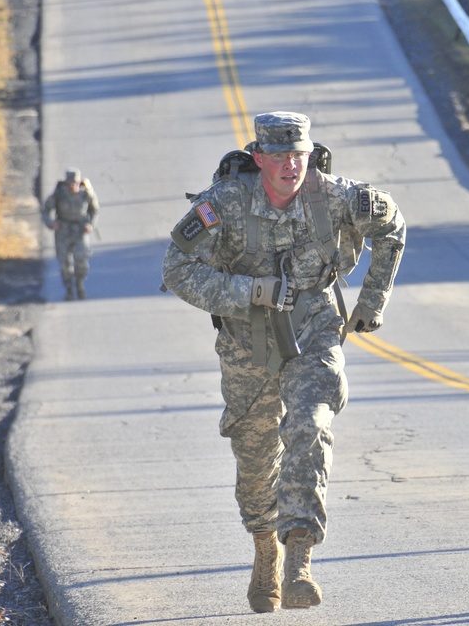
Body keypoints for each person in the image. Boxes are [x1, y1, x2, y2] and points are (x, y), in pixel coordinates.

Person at [161, 111, 405, 612]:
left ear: (310, 154)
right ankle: (264, 547)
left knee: (310, 426)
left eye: (299, 155)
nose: (291, 165)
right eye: (279, 156)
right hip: (247, 345)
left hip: (314, 329)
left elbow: (393, 226)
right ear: (259, 158)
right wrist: (249, 291)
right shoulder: (225, 204)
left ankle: (299, 558)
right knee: (255, 462)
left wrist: (373, 301)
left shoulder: (336, 197)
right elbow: (177, 268)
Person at [42, 168, 99, 300]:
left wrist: (91, 224)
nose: (72, 186)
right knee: (64, 263)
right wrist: (50, 223)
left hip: (80, 231)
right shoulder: (59, 195)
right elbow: (46, 210)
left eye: (75, 183)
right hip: (63, 231)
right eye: (69, 184)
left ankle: (79, 283)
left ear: (79, 183)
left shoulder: (86, 195)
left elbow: (94, 210)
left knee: (82, 261)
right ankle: (68, 288)